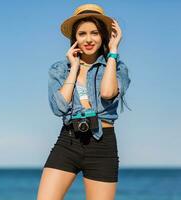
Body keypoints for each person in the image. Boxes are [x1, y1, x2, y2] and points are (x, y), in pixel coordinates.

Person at [37, 3, 131, 200]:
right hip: (68, 142)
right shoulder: (59, 69)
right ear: (75, 38)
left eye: (95, 33)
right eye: (82, 33)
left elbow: (107, 93)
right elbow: (59, 107)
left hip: (102, 145)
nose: (88, 39)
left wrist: (113, 52)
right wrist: (74, 67)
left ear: (104, 35)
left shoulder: (117, 67)